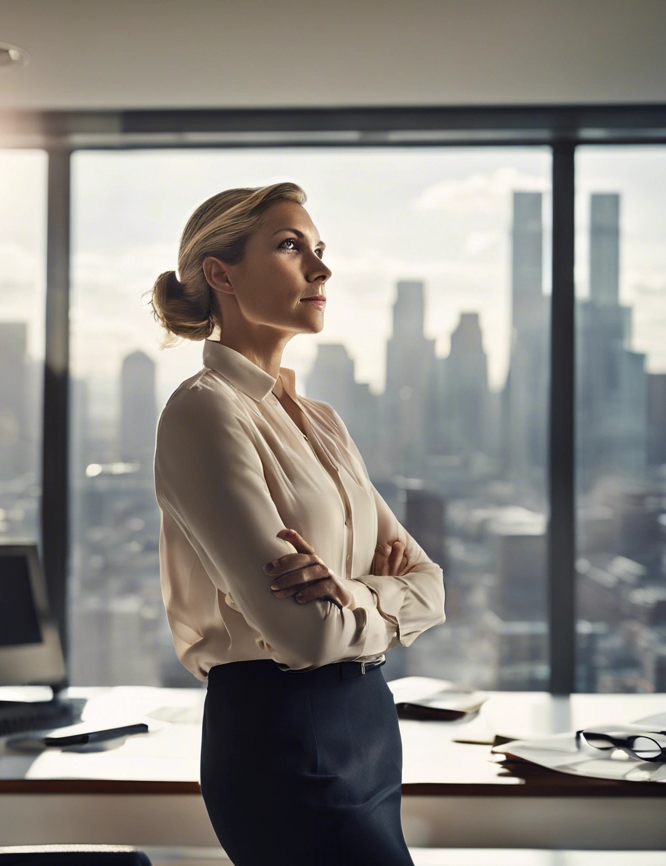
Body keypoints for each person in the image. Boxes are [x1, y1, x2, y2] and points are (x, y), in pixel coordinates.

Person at [150, 181, 447, 866]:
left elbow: (432, 584)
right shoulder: (205, 411)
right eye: (290, 247)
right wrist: (373, 594)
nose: (321, 269)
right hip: (283, 739)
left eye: (319, 250)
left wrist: (349, 592)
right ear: (221, 274)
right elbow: (304, 635)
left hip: (369, 724)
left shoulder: (324, 422)